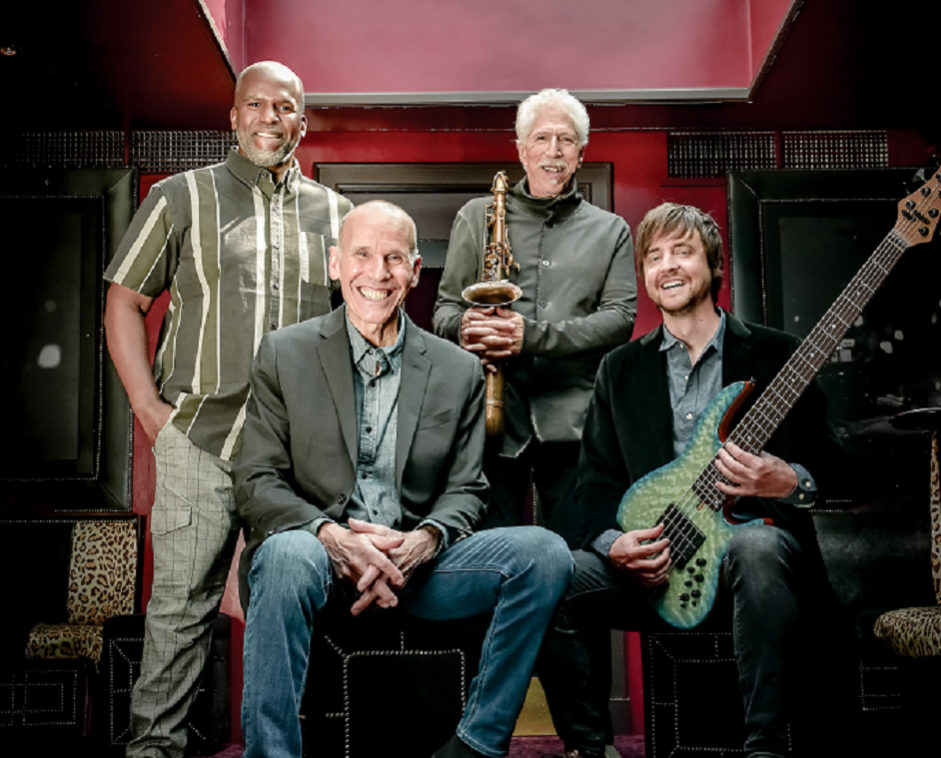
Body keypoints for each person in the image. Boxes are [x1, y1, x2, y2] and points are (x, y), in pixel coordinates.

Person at [233, 200, 574, 758]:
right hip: (319, 560)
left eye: (394, 258)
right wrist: (331, 537)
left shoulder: (458, 369)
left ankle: (475, 744)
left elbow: (467, 489)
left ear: (415, 271)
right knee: (285, 554)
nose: (378, 272)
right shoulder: (283, 354)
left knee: (545, 553)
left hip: (420, 569)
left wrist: (423, 542)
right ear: (335, 263)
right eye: (362, 255)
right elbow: (256, 479)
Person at [103, 61, 352, 757]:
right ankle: (154, 751)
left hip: (294, 458)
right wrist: (148, 410)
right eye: (257, 105)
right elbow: (123, 300)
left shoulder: (338, 217)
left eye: (286, 107)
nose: (271, 117)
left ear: (303, 121)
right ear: (234, 116)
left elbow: (356, 330)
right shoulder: (180, 197)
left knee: (294, 607)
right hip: (200, 442)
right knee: (179, 611)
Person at [536, 203, 845, 758]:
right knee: (546, 575)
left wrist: (786, 480)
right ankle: (589, 745)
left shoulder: (777, 354)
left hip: (750, 568)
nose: (667, 266)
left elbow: (839, 464)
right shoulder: (619, 370)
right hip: (658, 564)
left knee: (757, 546)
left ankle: (765, 749)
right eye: (654, 257)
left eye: (682, 251)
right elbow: (594, 485)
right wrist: (614, 543)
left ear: (715, 264)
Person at [433, 88, 636, 534]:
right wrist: (466, 327)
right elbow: (445, 310)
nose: (553, 150)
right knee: (488, 555)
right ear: (522, 150)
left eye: (566, 140)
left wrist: (531, 337)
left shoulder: (612, 230)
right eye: (542, 138)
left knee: (581, 556)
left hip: (577, 429)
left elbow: (620, 319)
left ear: (581, 154)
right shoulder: (476, 217)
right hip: (489, 421)